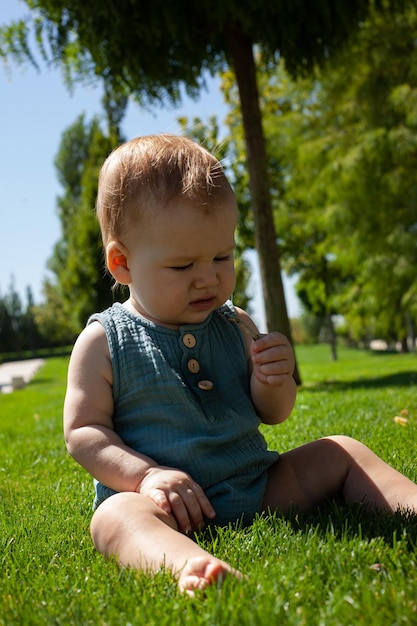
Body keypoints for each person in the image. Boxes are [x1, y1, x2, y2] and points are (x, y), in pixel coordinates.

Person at [63, 134, 417, 596]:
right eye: (183, 265)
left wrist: (274, 380)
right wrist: (145, 475)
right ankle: (190, 565)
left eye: (222, 256)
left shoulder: (236, 324)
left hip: (258, 486)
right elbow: (83, 433)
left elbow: (273, 412)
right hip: (167, 508)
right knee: (113, 519)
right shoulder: (103, 341)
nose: (208, 277)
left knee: (339, 450)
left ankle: (407, 504)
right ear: (123, 263)